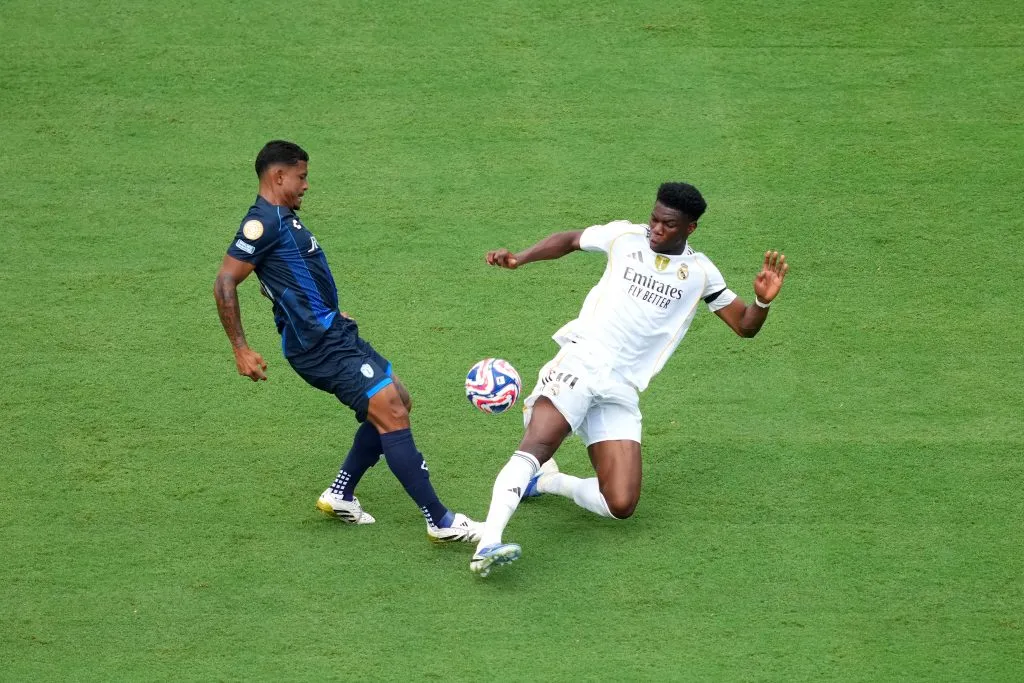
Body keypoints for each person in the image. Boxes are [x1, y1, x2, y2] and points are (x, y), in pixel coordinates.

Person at [470, 181, 790, 576]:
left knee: (619, 504)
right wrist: (520, 257)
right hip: (582, 362)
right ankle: (488, 543)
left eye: (667, 225)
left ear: (690, 228)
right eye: (654, 218)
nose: (655, 229)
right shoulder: (624, 235)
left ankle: (548, 484)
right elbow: (571, 239)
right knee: (537, 445)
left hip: (621, 388)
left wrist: (762, 301)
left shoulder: (701, 274)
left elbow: (744, 326)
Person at [214, 140, 480, 543]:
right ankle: (440, 521)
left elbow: (291, 277)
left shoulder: (285, 219)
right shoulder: (262, 223)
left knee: (399, 399)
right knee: (390, 410)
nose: (306, 185)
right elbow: (225, 282)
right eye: (301, 177)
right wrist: (240, 348)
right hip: (318, 347)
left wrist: (327, 309)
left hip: (333, 332)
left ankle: (340, 493)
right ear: (278, 175)